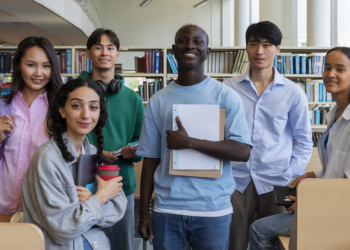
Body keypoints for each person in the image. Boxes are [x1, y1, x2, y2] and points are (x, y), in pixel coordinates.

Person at [137, 23, 252, 250]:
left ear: (207, 51)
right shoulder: (158, 101)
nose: (190, 45)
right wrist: (144, 213)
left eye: (198, 42)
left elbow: (243, 151)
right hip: (167, 209)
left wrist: (189, 142)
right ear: (173, 50)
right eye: (183, 40)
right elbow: (150, 161)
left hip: (213, 210)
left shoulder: (226, 96)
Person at [248, 46, 350, 249]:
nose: (330, 74)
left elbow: (346, 184)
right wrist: (312, 174)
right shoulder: (334, 114)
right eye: (327, 67)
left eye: (340, 69)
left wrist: (309, 205)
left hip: (340, 211)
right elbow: (340, 168)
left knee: (259, 230)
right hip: (329, 201)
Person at [223, 21, 313, 250]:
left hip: (276, 181)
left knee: (275, 244)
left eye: (266, 45)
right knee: (233, 243)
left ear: (278, 49)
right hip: (235, 180)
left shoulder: (293, 93)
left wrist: (291, 175)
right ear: (246, 47)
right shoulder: (228, 88)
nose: (259, 51)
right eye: (253, 44)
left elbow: (303, 141)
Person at [22, 78, 127, 250]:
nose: (86, 115)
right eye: (77, 106)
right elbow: (62, 228)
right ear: (62, 110)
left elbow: (118, 208)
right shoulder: (47, 158)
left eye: (93, 107)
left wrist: (90, 205)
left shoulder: (93, 153)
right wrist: (100, 198)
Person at [79, 28, 144, 250]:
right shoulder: (74, 93)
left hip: (121, 187)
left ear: (117, 54)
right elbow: (62, 136)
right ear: (88, 54)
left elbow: (141, 139)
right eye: (98, 47)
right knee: (82, 244)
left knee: (122, 246)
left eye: (110, 48)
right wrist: (96, 153)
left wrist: (134, 150)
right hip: (81, 185)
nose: (104, 52)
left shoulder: (133, 98)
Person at [0, 36, 63, 215]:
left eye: (46, 66)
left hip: (41, 209)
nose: (38, 73)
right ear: (19, 66)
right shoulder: (2, 106)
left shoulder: (62, 110)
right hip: (2, 205)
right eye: (31, 64)